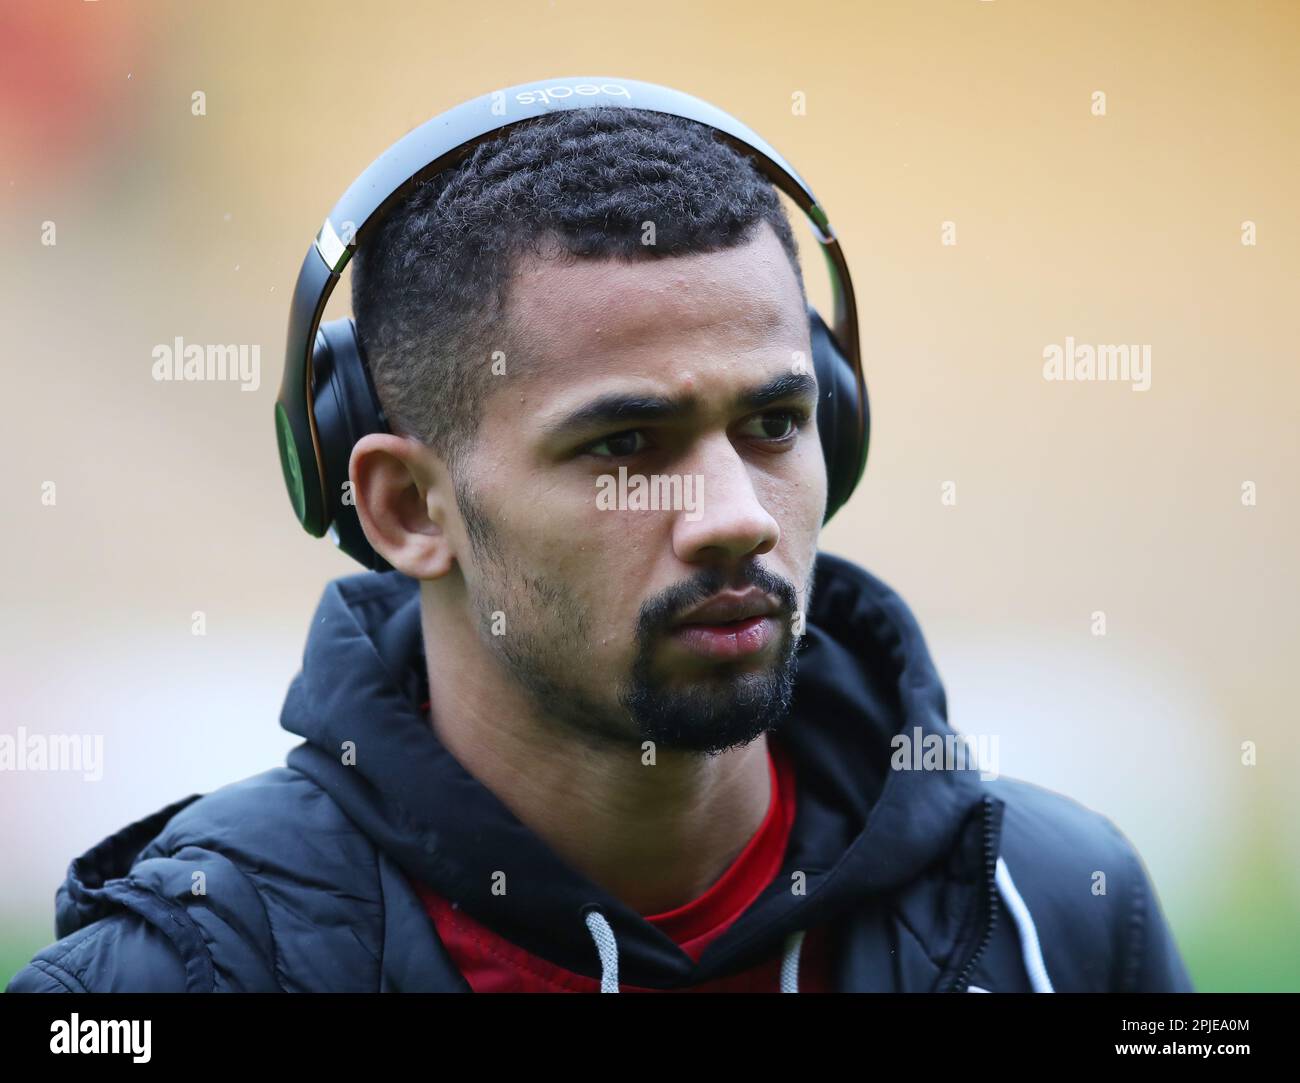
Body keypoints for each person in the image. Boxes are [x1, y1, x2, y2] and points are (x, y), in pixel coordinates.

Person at [7, 102, 1193, 993]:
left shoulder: (1060, 913)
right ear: (407, 511)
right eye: (627, 442)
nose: (733, 514)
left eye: (775, 424)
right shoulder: (171, 982)